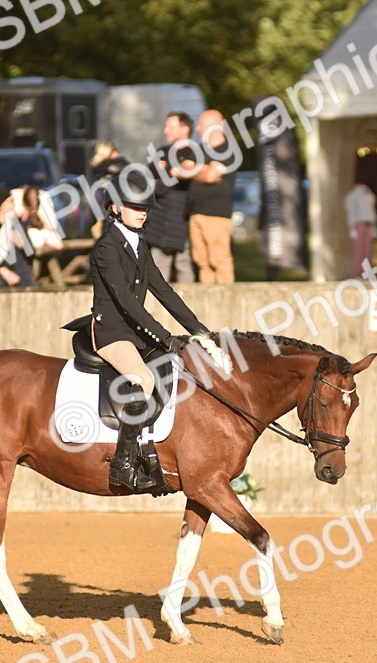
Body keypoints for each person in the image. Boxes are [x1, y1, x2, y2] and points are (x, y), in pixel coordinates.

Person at [79, 175, 215, 493]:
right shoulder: (106, 248)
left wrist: (199, 330)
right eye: (134, 206)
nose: (143, 212)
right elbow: (126, 300)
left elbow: (163, 291)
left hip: (136, 333)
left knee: (176, 368)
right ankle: (122, 466)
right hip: (112, 332)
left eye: (145, 208)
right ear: (114, 207)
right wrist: (166, 336)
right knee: (143, 381)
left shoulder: (140, 244)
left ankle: (150, 451)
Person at [144, 111, 199, 283]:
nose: (166, 130)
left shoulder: (194, 152)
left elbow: (187, 171)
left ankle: (187, 305)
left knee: (184, 263)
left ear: (185, 129)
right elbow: (149, 173)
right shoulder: (163, 151)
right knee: (158, 264)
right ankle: (157, 307)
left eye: (170, 126)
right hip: (159, 219)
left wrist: (166, 169)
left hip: (184, 217)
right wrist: (170, 170)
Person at [185, 109, 238, 284]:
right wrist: (203, 169)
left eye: (202, 124)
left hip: (216, 213)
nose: (198, 128)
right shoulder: (198, 150)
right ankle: (207, 303)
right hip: (195, 212)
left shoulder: (228, 150)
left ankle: (226, 300)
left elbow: (210, 176)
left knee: (219, 259)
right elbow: (183, 167)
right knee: (202, 262)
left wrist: (196, 169)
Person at [344, 182, 377, 280]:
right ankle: (357, 274)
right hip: (359, 225)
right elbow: (351, 212)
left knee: (367, 252)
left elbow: (373, 212)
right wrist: (352, 228)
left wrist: (374, 228)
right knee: (359, 252)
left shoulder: (370, 195)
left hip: (369, 224)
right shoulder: (353, 196)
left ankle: (366, 275)